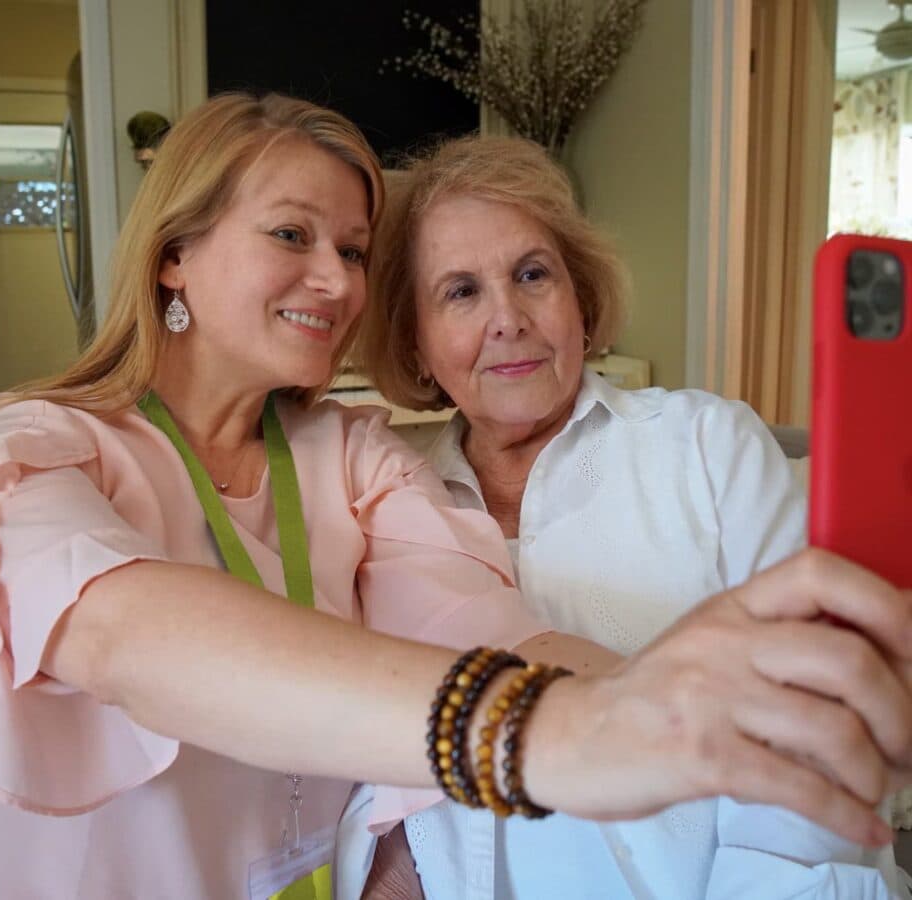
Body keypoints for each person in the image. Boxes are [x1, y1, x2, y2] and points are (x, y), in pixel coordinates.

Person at [0, 94, 912, 900]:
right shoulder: (30, 444)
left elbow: (493, 632)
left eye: (352, 251)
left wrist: (675, 693)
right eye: (293, 234)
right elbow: (115, 630)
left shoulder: (352, 456)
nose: (335, 280)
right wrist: (564, 732)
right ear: (175, 252)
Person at [359, 134, 912, 898]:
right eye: (460, 292)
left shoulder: (709, 446)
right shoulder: (387, 496)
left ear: (581, 303)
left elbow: (819, 736)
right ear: (416, 344)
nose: (507, 318)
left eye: (532, 274)